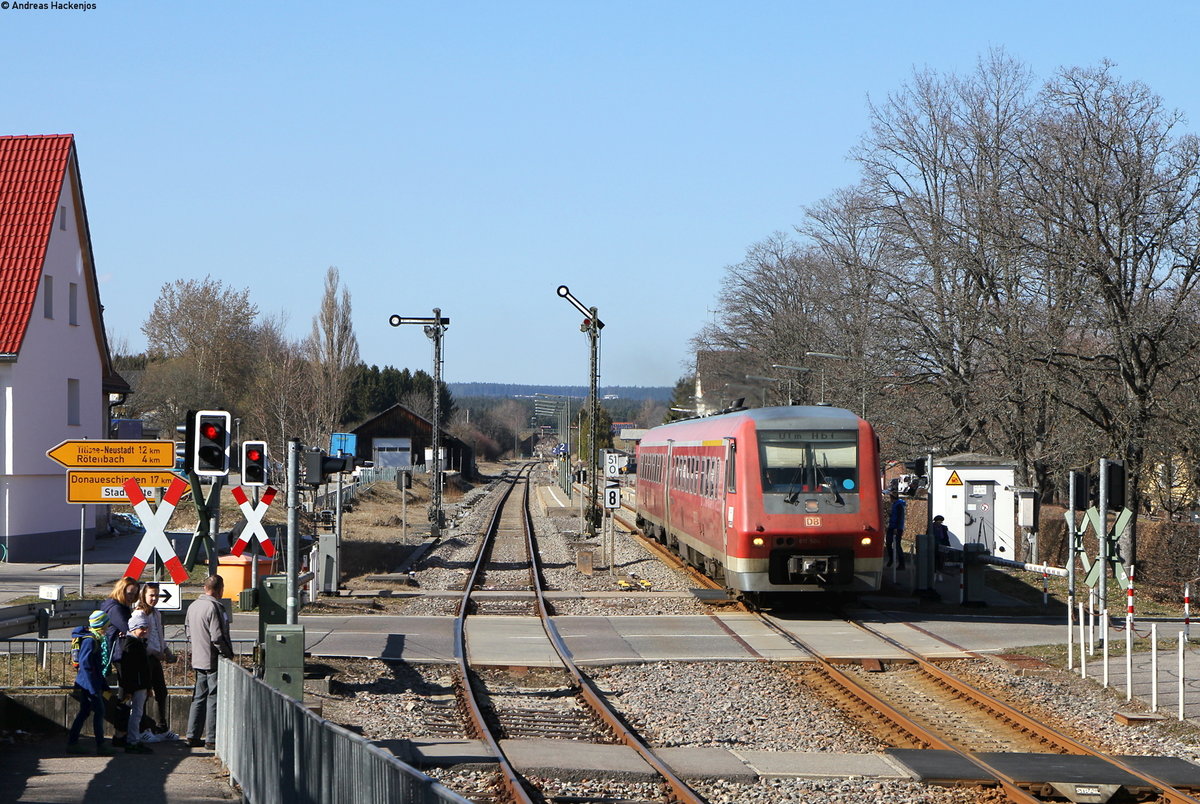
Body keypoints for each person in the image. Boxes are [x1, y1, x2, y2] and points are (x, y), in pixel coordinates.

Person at [185, 575, 233, 749]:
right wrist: (227, 653)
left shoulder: (193, 606)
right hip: (213, 659)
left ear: (205, 587)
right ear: (219, 588)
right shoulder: (214, 607)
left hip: (198, 658)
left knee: (198, 697)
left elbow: (188, 633)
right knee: (213, 698)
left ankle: (192, 735)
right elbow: (218, 636)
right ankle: (211, 738)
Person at [67, 610, 116, 755]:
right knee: (99, 712)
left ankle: (73, 743)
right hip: (89, 685)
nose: (108, 628)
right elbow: (86, 665)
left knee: (85, 712)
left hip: (90, 684)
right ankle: (100, 745)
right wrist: (93, 688)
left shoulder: (95, 639)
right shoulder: (90, 640)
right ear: (101, 625)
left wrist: (102, 685)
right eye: (106, 625)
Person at [135, 582, 177, 738]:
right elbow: (139, 640)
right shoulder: (139, 614)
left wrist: (166, 651)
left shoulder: (156, 613)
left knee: (161, 692)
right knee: (144, 694)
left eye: (157, 595)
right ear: (144, 595)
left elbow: (159, 635)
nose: (154, 598)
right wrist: (154, 652)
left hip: (155, 658)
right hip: (145, 658)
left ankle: (162, 728)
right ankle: (143, 729)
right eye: (151, 595)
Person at [119, 612, 154, 754]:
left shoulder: (137, 643)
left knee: (137, 713)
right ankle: (132, 740)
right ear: (133, 628)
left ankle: (134, 739)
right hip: (136, 685)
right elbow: (130, 670)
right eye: (142, 628)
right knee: (136, 713)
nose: (145, 631)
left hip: (140, 685)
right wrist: (131, 689)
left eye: (146, 628)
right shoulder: (132, 644)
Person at [885, 491, 907, 569]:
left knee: (897, 545)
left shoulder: (899, 505)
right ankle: (891, 559)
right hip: (892, 526)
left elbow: (899, 517)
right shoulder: (894, 505)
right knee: (888, 543)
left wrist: (896, 528)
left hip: (896, 528)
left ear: (892, 497)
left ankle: (901, 564)